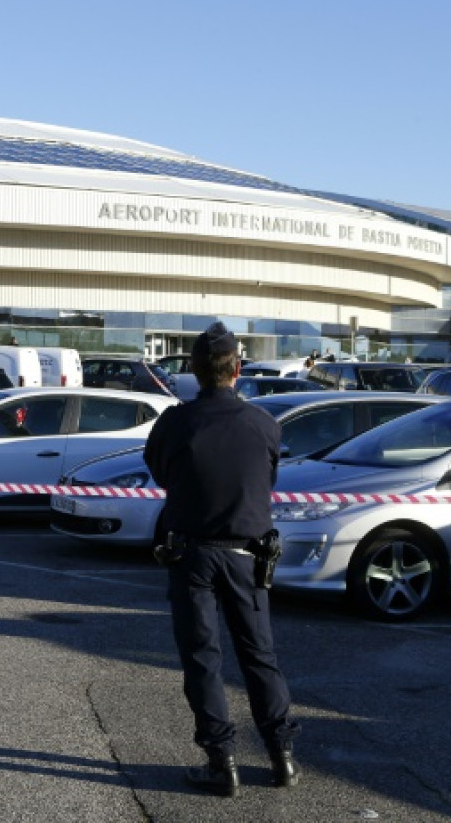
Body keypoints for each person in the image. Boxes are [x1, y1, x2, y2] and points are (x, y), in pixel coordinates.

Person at [144, 321, 300, 798]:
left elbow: (159, 471)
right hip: (247, 557)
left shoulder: (175, 422)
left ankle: (222, 761)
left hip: (192, 554)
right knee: (260, 657)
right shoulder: (264, 424)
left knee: (202, 660)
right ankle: (282, 756)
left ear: (194, 370)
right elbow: (266, 481)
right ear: (238, 368)